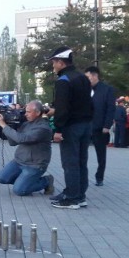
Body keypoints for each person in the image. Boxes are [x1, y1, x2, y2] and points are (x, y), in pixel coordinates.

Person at [47, 47, 93, 209]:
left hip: (71, 127)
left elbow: (63, 107)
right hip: (86, 125)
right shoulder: (83, 78)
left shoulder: (64, 80)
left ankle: (72, 198)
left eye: (53, 62)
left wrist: (58, 129)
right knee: (81, 161)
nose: (53, 65)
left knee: (70, 163)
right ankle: (79, 195)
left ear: (60, 62)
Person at [0, 100, 54, 196]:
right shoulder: (27, 124)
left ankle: (46, 181)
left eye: (28, 112)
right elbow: (13, 142)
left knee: (19, 190)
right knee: (1, 178)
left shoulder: (43, 128)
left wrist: (4, 125)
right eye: (25, 111)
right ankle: (24, 181)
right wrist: (9, 126)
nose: (25, 114)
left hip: (35, 165)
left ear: (38, 113)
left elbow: (22, 139)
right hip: (19, 161)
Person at [84, 66, 115, 186]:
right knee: (82, 152)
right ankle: (82, 176)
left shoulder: (107, 89)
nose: (86, 79)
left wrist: (107, 125)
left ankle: (99, 176)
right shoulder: (84, 89)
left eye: (88, 77)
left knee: (101, 154)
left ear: (95, 75)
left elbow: (111, 108)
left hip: (100, 126)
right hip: (85, 126)